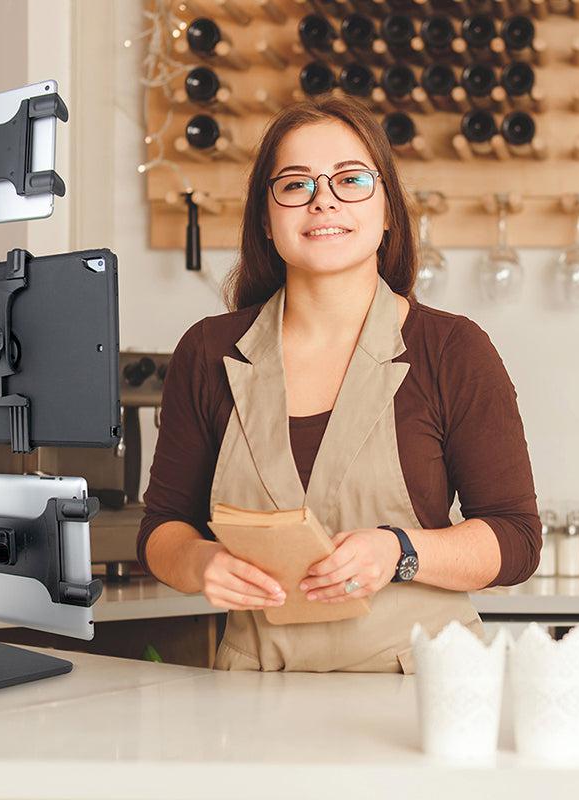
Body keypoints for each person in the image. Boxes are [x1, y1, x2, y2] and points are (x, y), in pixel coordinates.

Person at [136, 96, 541, 673]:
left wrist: (400, 551)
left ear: (388, 214)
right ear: (267, 221)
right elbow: (162, 530)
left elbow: (517, 540)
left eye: (350, 179)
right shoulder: (207, 352)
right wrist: (201, 563)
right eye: (296, 185)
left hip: (419, 693)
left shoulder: (453, 350)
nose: (323, 198)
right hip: (252, 696)